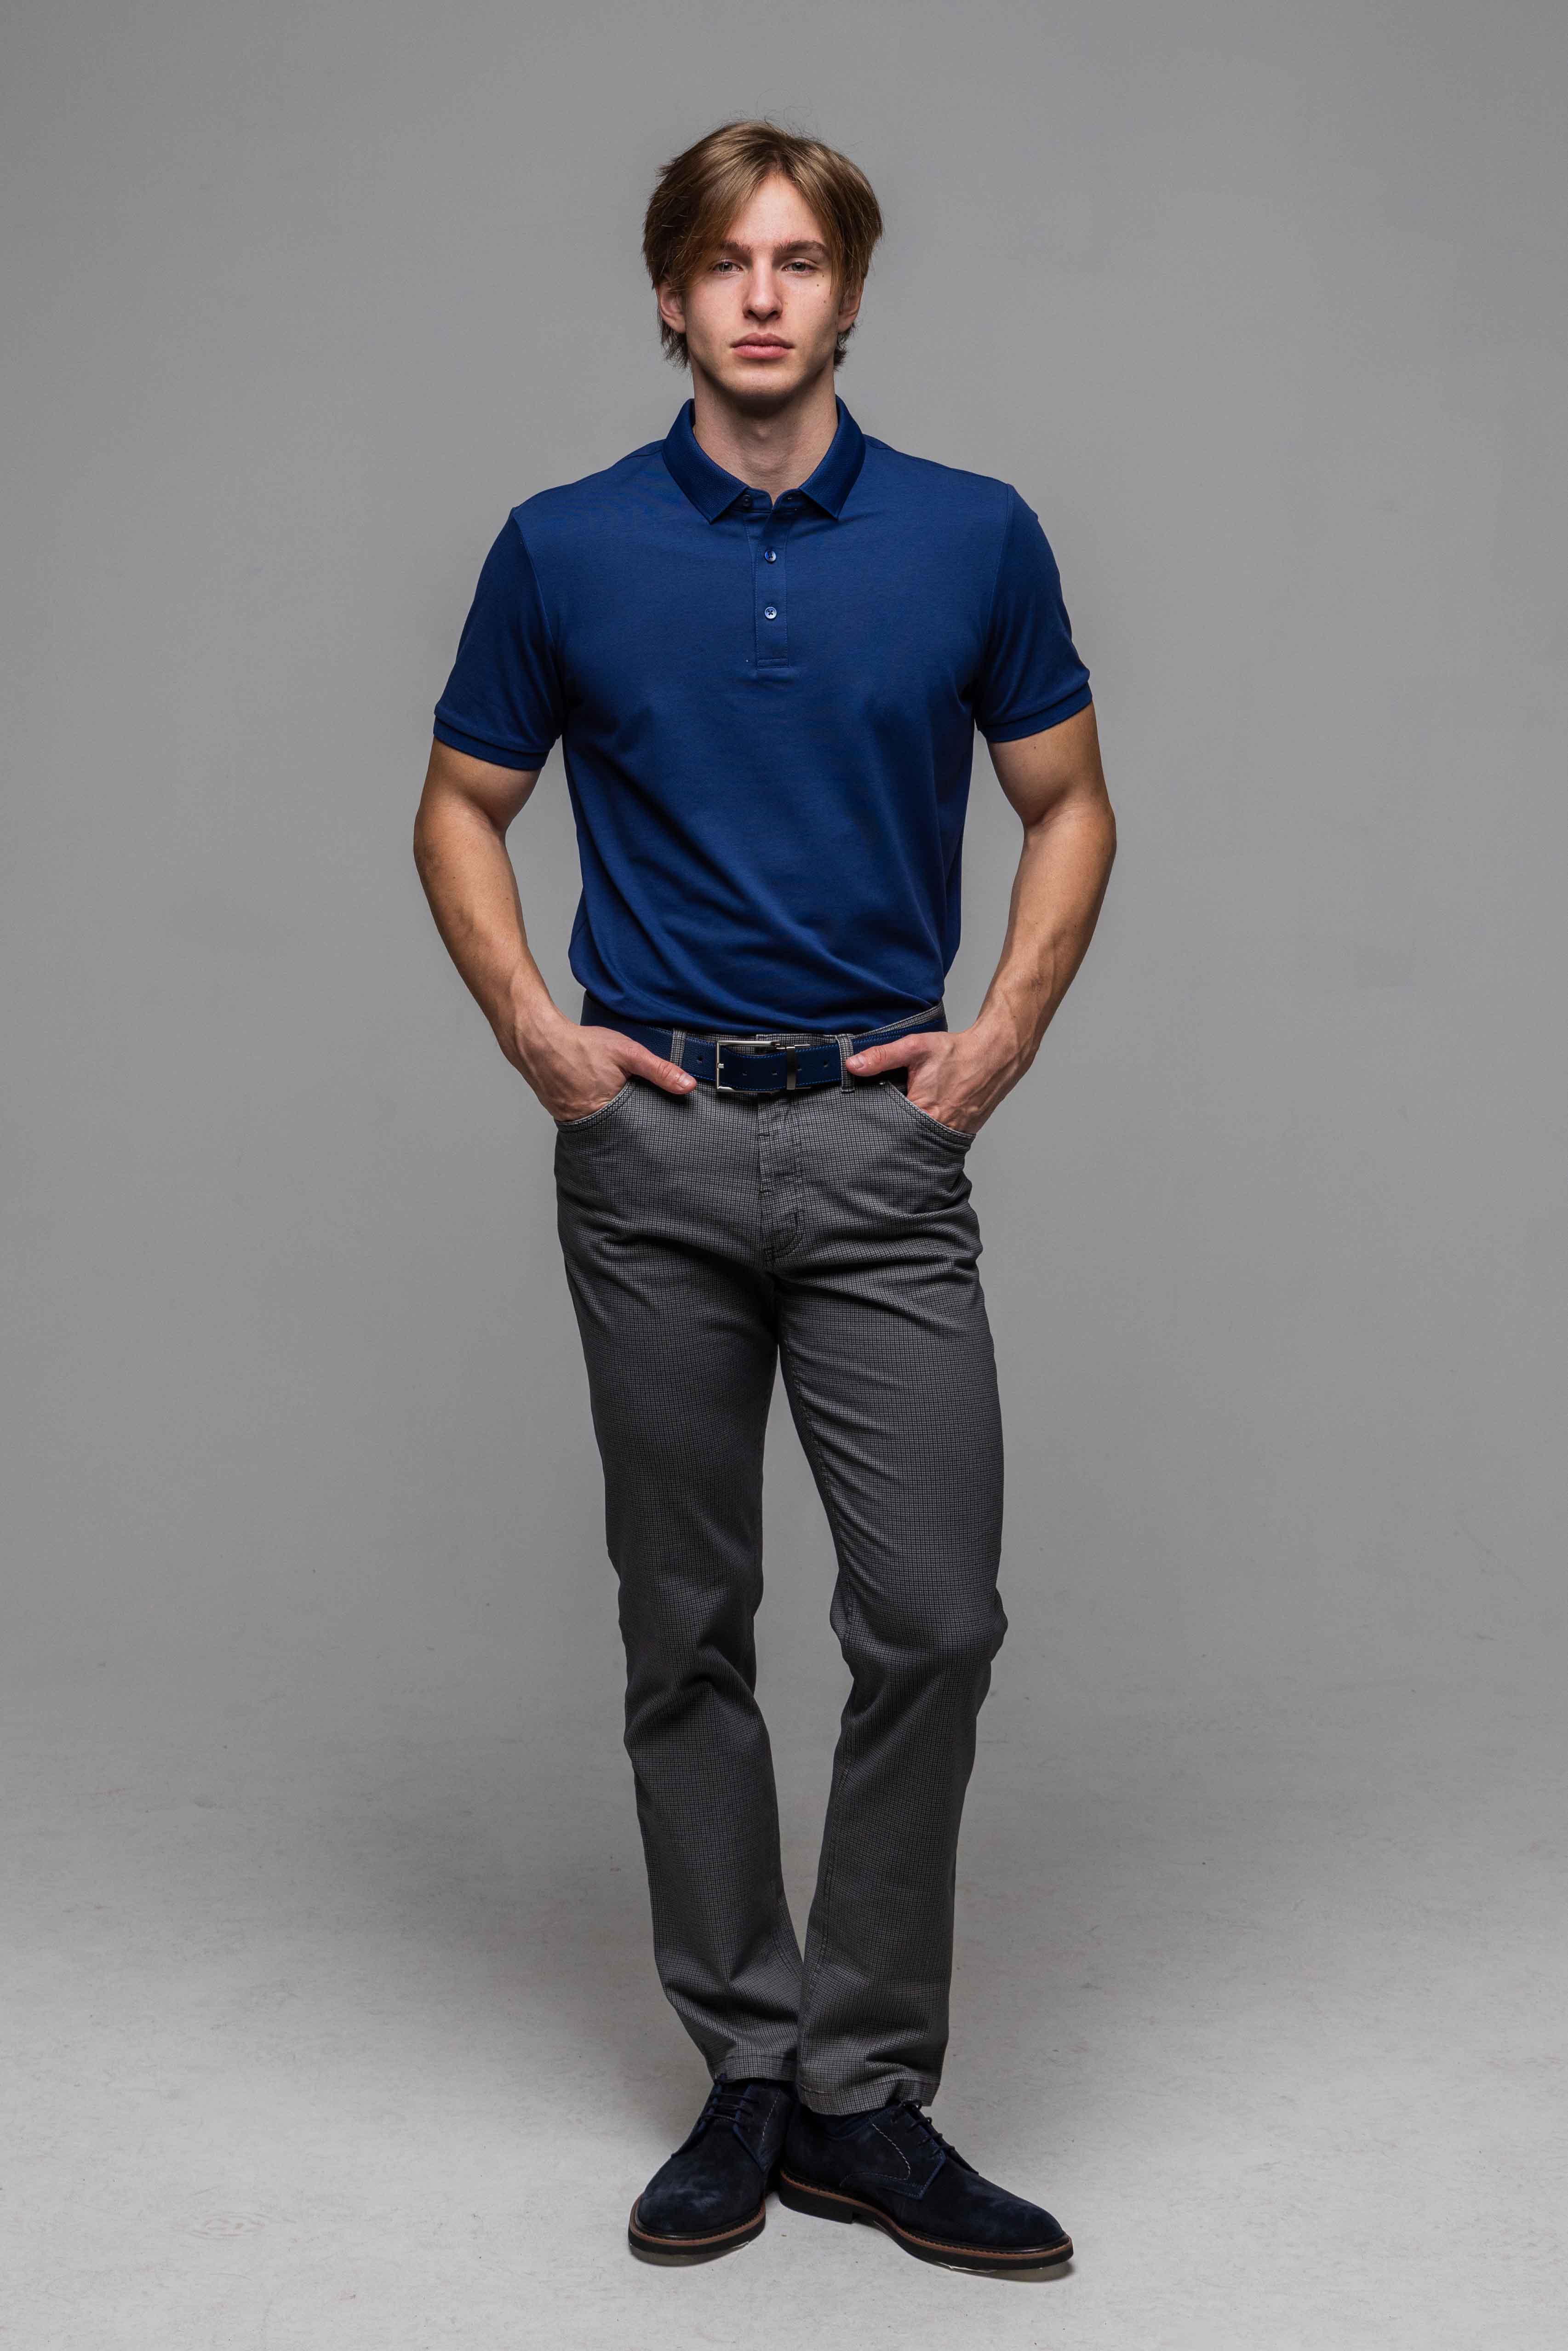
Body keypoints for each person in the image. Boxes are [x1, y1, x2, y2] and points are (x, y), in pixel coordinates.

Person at [412, 117, 1116, 2277]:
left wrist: (999, 1037)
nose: (760, 294)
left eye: (799, 259)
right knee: (683, 1622)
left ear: (848, 294)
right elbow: (459, 803)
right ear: (669, 292)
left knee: (932, 1620)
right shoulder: (563, 545)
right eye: (725, 260)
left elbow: (1068, 799)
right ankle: (744, 2063)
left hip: (884, 1151)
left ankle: (862, 2091)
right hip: (652, 1155)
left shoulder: (973, 535)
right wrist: (538, 1034)